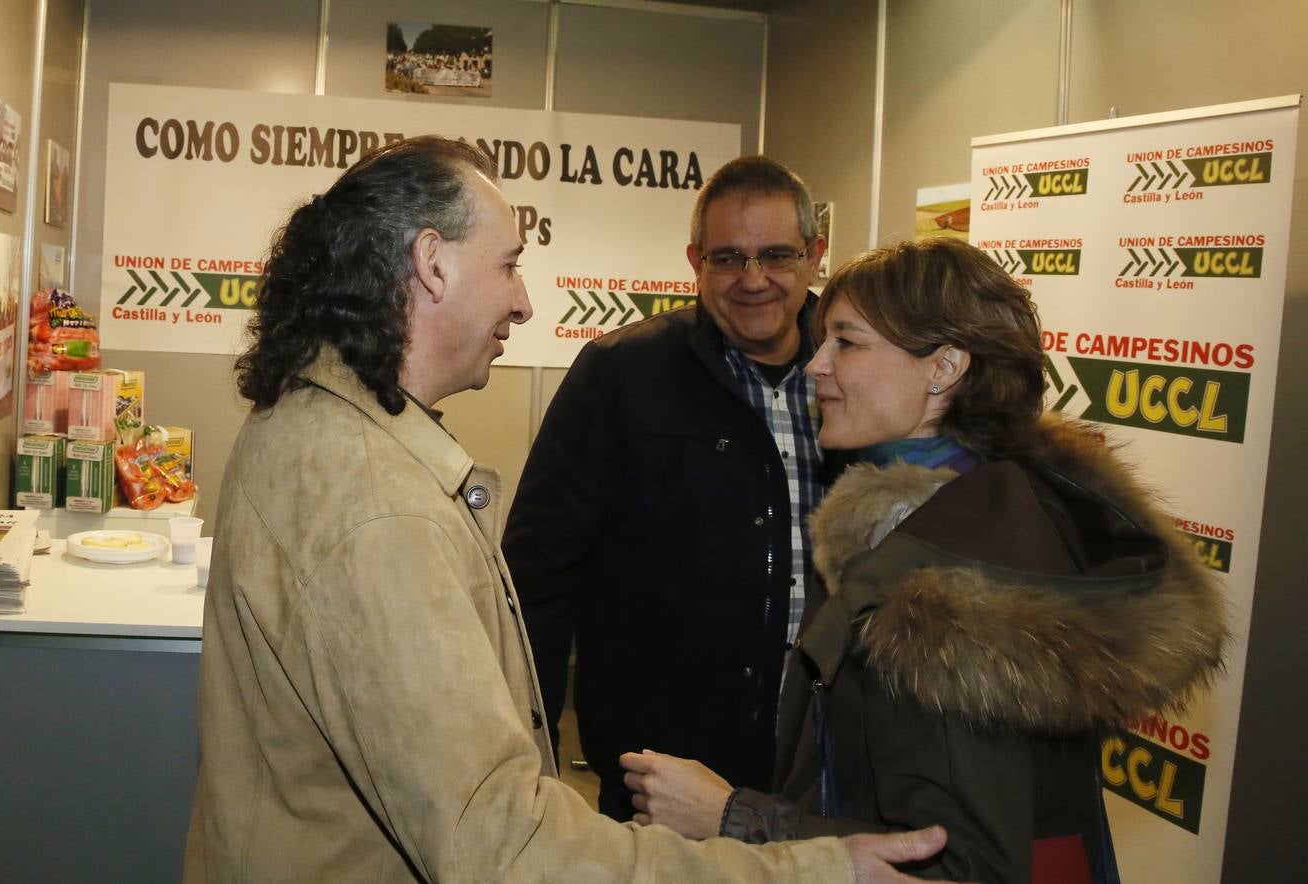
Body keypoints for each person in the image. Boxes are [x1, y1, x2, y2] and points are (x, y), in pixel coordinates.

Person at [182, 136, 952, 882]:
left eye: (777, 255)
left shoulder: (312, 426)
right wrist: (811, 870)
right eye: (509, 265)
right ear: (432, 264)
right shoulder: (375, 505)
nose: (523, 302)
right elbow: (506, 848)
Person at [620, 239, 1228, 883]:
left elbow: (961, 866)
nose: (816, 365)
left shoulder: (946, 585)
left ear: (945, 366)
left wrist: (732, 816)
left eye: (847, 342)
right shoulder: (984, 515)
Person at [504, 155, 834, 821]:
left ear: (815, 256)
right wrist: (527, 753)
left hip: (821, 771)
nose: (753, 279)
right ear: (694, 263)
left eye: (776, 254)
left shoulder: (859, 375)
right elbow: (537, 576)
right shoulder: (621, 375)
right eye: (727, 258)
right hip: (659, 781)